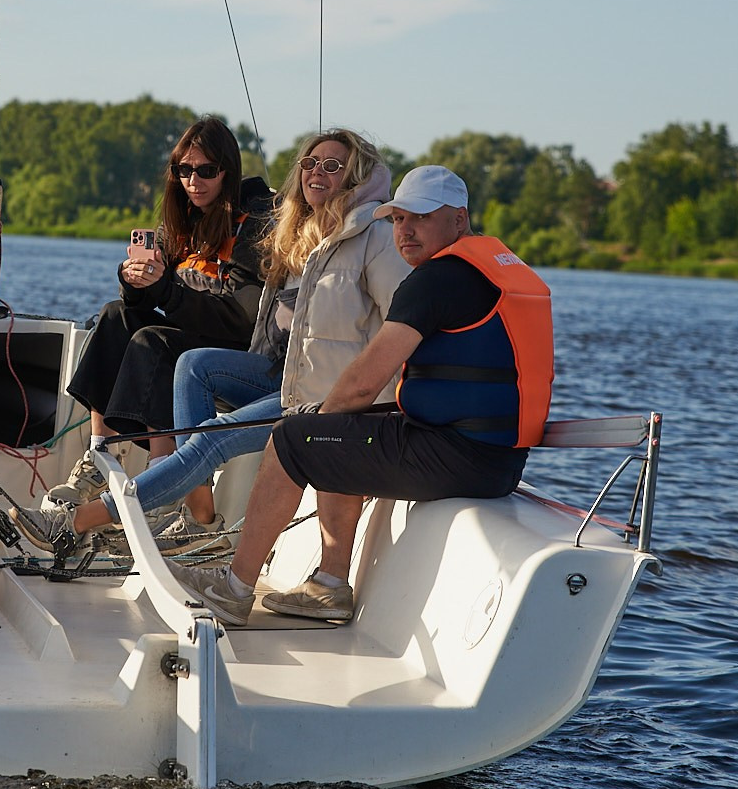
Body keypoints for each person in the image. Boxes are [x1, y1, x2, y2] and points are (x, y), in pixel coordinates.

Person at [170, 164, 555, 627]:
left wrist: (315, 424)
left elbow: (363, 382)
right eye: (397, 219)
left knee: (296, 438)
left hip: (455, 456)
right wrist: (333, 423)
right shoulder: (494, 270)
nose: (406, 231)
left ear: (458, 219)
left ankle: (233, 590)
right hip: (498, 462)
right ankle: (329, 586)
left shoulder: (437, 279)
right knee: (342, 432)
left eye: (421, 218)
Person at [17, 130, 410, 554]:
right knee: (190, 362)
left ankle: (82, 520)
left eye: (333, 166)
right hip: (285, 372)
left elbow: (403, 324)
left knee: (208, 432)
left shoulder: (375, 237)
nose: (316, 172)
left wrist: (387, 400)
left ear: (356, 177)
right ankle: (192, 515)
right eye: (310, 164)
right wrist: (136, 283)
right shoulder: (305, 232)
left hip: (328, 392)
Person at [62, 116, 274, 467]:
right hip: (195, 332)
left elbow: (241, 318)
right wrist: (133, 281)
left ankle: (160, 474)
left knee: (153, 342)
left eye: (207, 170)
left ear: (228, 172)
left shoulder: (253, 224)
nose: (193, 181)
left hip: (238, 350)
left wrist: (167, 291)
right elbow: (149, 298)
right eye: (184, 170)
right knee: (115, 314)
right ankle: (99, 456)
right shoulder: (180, 220)